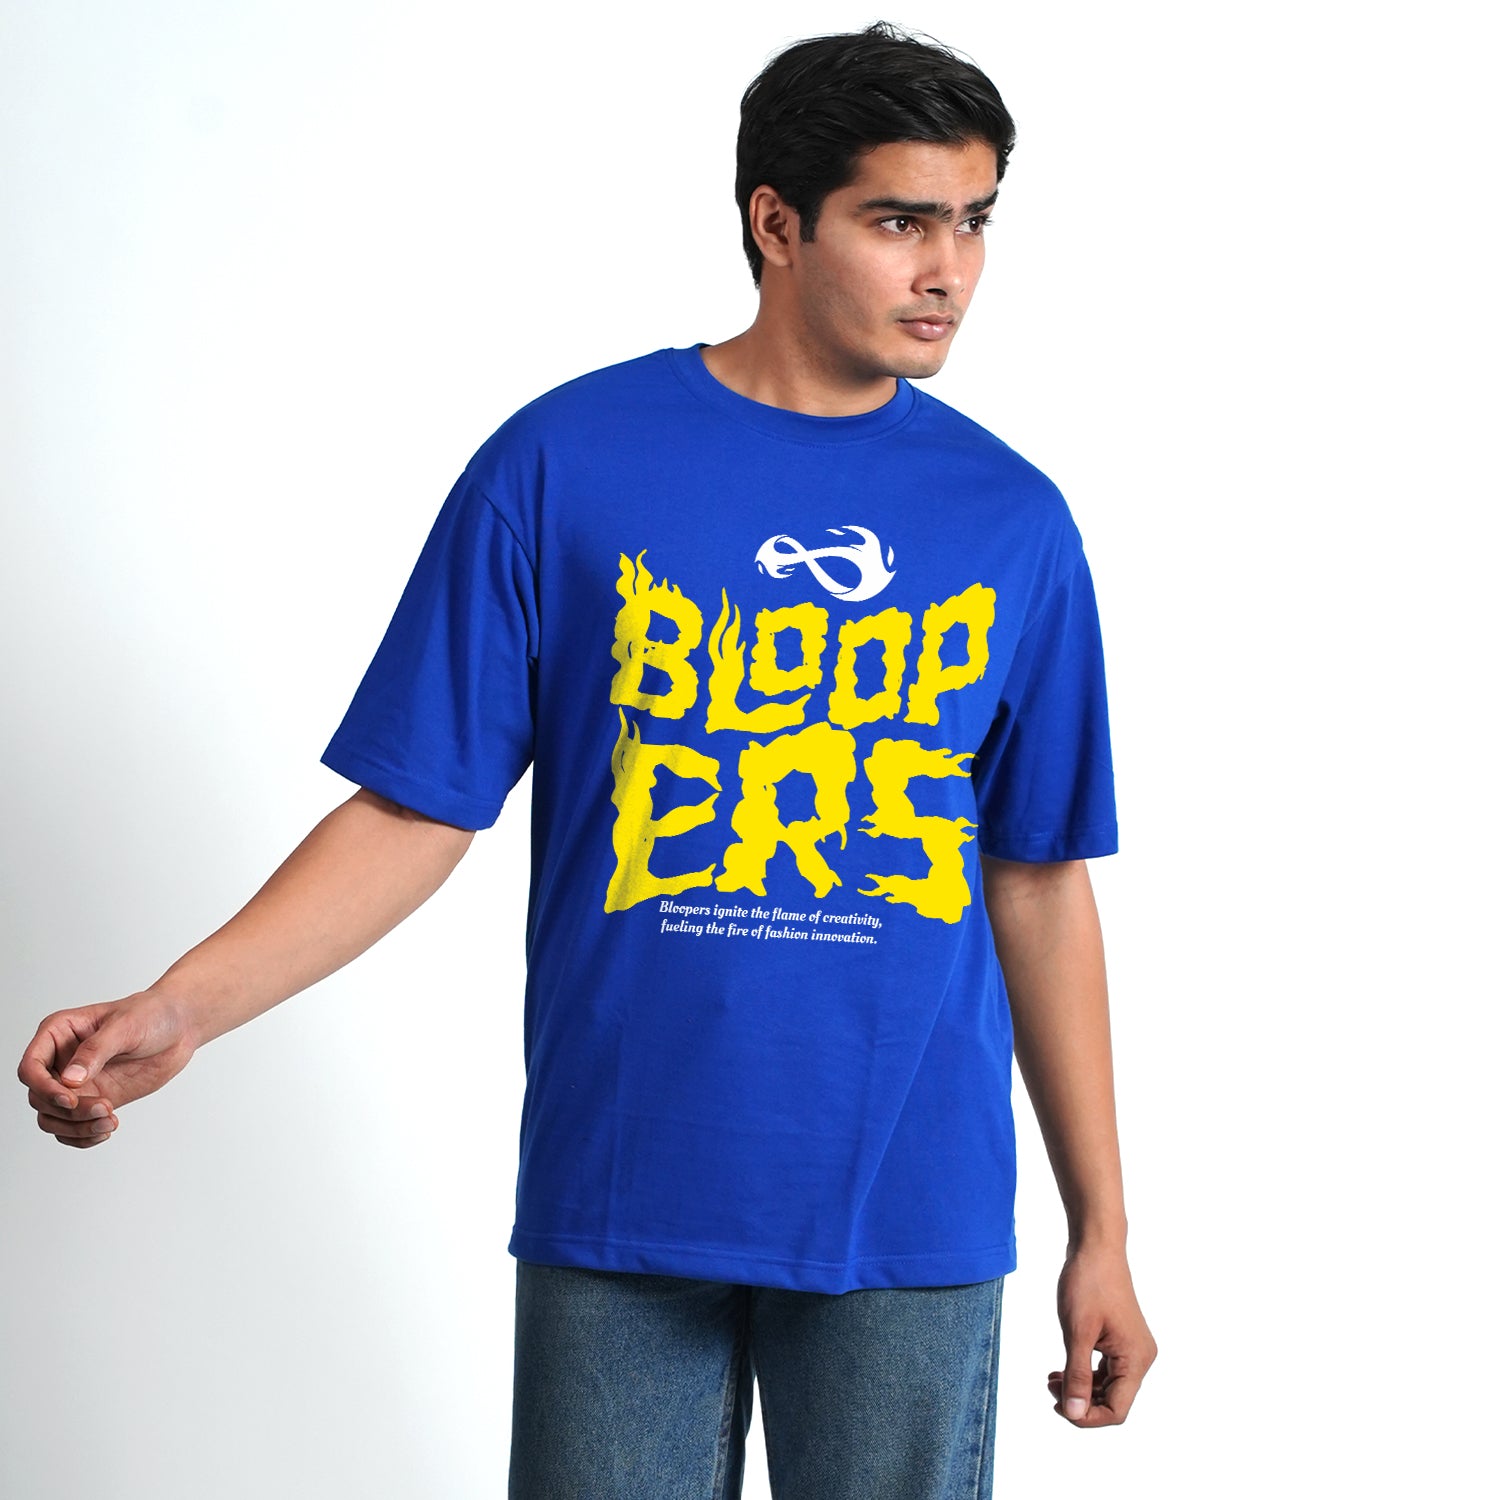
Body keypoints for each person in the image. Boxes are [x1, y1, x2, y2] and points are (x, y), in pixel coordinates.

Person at [18, 19, 1156, 1497]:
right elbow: (416, 810)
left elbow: (1039, 882)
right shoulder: (564, 463)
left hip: (905, 1213)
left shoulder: (1011, 519)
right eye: (899, 221)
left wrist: (1102, 1230)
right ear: (778, 224)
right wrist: (183, 1007)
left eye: (974, 221)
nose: (950, 268)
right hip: (625, 1190)